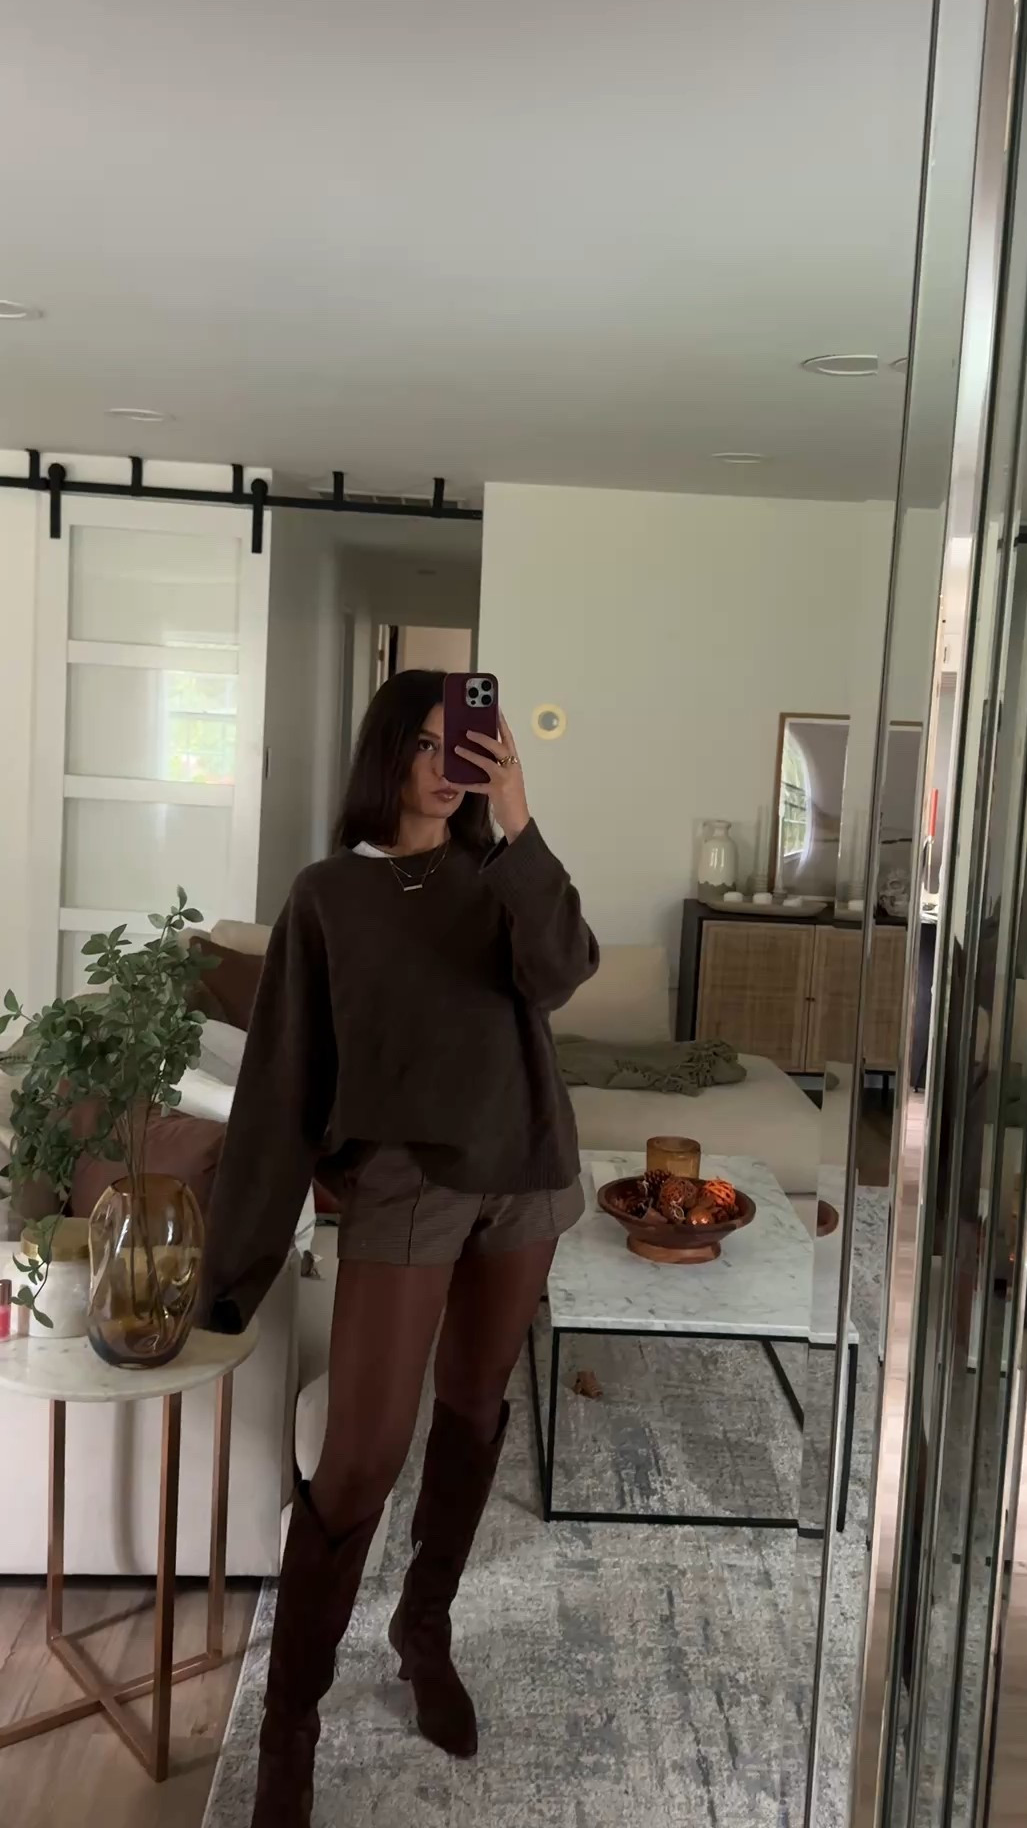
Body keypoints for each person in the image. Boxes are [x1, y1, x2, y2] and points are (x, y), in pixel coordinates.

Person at [198, 668, 598, 1828]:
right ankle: (291, 1720)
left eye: (463, 745)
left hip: (525, 1172)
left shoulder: (498, 874)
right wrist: (234, 1269)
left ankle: (425, 1629)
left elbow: (564, 970)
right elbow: (280, 1083)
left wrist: (518, 816)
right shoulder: (329, 895)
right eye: (426, 744)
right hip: (402, 1185)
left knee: (473, 1413)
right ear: (386, 754)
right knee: (363, 1454)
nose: (447, 765)